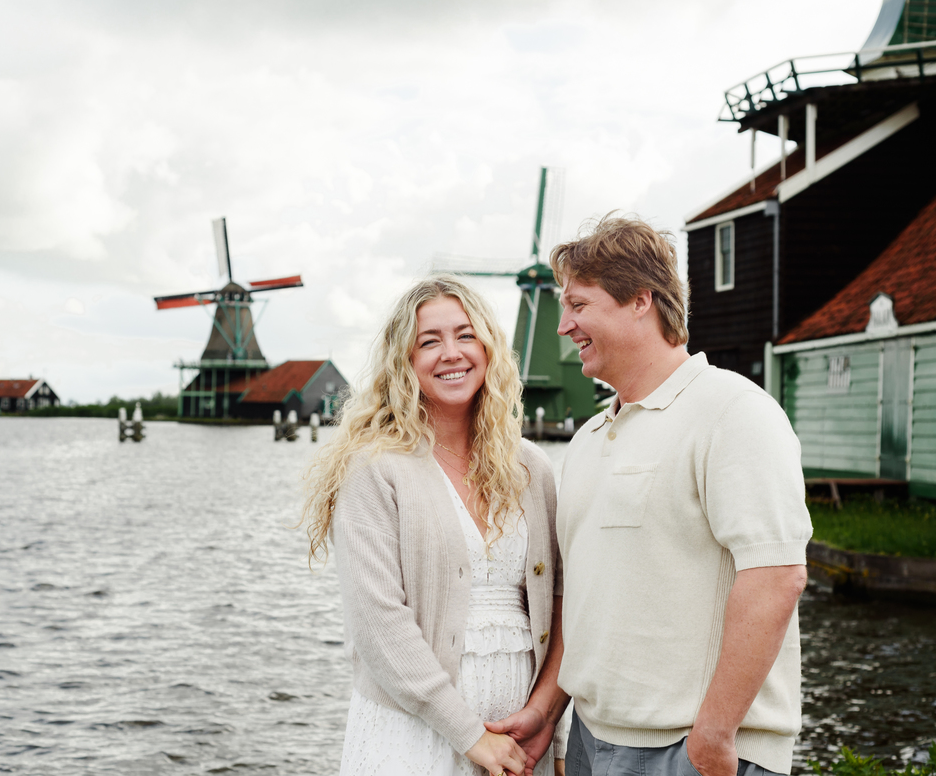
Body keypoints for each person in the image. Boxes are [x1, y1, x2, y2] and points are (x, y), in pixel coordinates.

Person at [489, 215, 812, 776]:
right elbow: (585, 598)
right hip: (593, 741)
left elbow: (777, 576)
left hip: (691, 750)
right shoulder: (587, 441)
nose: (563, 326)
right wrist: (548, 710)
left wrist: (713, 734)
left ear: (641, 301)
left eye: (579, 305)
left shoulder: (734, 412)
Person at [301, 274, 566, 776]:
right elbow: (379, 623)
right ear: (404, 362)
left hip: (519, 741)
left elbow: (561, 600)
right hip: (411, 736)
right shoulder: (374, 468)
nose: (451, 353)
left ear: (489, 347)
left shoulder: (533, 470)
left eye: (466, 335)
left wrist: (546, 716)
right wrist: (470, 738)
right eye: (429, 341)